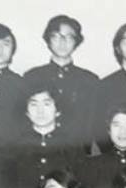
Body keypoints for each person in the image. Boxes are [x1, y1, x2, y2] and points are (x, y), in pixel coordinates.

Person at [24, 15, 99, 150]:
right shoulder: (32, 76)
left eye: (69, 37)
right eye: (57, 36)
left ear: (76, 42)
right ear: (48, 40)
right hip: (38, 150)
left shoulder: (89, 80)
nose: (62, 42)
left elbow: (93, 123)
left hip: (78, 151)